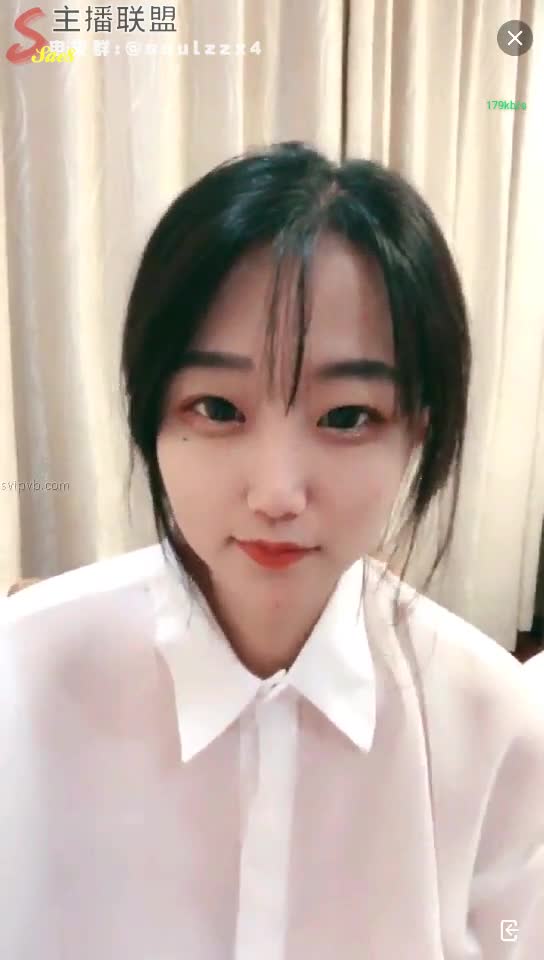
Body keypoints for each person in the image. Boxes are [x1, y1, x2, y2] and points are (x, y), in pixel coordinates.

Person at [2, 141, 543, 958]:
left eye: (347, 416)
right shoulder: (18, 677)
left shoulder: (497, 728)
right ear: (152, 414)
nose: (277, 493)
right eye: (218, 408)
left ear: (416, 433)